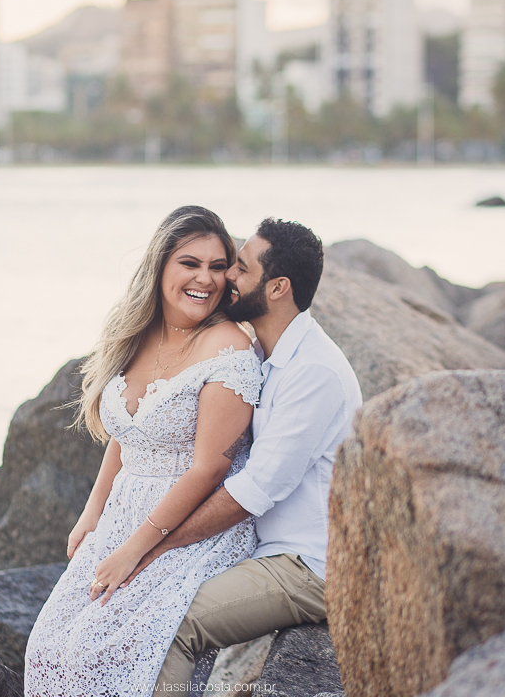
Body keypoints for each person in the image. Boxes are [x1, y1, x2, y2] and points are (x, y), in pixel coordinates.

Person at [24, 206, 263, 697]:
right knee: (45, 647)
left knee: (96, 651)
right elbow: (128, 433)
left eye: (218, 267)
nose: (205, 279)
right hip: (123, 513)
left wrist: (135, 551)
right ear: (159, 266)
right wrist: (92, 514)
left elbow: (209, 468)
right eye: (190, 263)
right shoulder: (136, 335)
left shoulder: (229, 348)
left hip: (191, 525)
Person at [120, 217, 363, 692]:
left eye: (242, 267)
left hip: (308, 566)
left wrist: (158, 546)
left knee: (170, 621)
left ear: (278, 288)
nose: (227, 275)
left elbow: (253, 491)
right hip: (262, 549)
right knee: (137, 598)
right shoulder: (263, 354)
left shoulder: (314, 371)